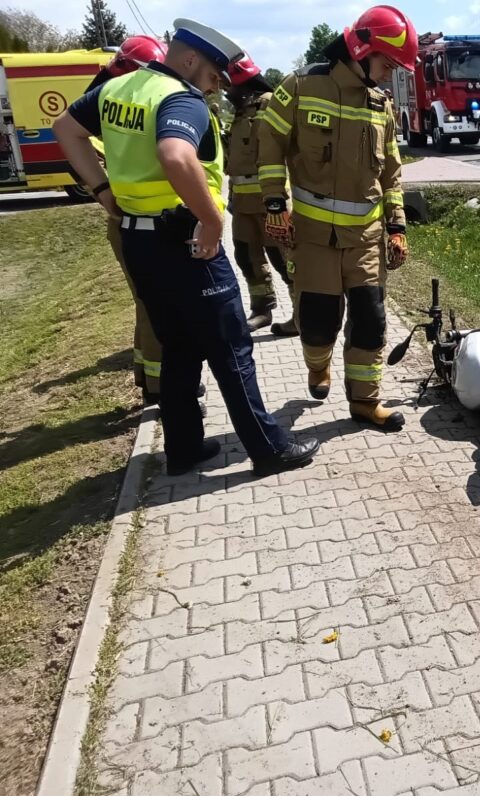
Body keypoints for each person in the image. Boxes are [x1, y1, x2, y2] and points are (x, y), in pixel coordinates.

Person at [52, 18, 319, 477]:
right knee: (231, 348)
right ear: (190, 59)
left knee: (177, 347)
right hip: (187, 243)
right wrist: (213, 221)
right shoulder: (180, 98)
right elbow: (175, 155)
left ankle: (184, 448)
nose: (216, 88)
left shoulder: (119, 89)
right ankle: (270, 448)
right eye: (215, 76)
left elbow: (64, 128)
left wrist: (101, 191)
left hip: (140, 241)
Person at [258, 5, 415, 432]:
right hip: (312, 236)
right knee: (320, 321)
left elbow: (391, 172)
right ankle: (317, 366)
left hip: (364, 238)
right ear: (362, 50)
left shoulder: (380, 105)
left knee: (370, 319)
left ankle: (365, 403)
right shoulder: (301, 86)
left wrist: (397, 226)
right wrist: (275, 202)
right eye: (387, 63)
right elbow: (269, 142)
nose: (389, 74)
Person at [85, 36, 170, 403]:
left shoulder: (107, 101)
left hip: (135, 219)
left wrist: (101, 189)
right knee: (155, 302)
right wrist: (103, 190)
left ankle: (145, 373)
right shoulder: (116, 100)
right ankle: (161, 387)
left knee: (145, 300)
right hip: (137, 222)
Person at [225, 55, 297, 336]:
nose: (226, 91)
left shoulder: (268, 103)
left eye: (229, 85)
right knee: (246, 256)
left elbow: (277, 148)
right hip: (242, 202)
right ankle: (262, 309)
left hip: (269, 200)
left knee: (284, 259)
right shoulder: (242, 111)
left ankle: (301, 315)